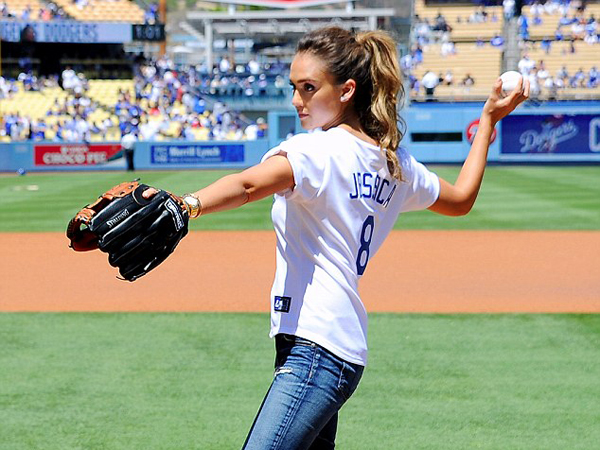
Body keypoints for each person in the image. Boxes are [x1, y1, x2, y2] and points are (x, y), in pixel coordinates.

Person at [143, 26, 529, 449]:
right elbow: (460, 199)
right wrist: (489, 118)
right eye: (294, 87)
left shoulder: (317, 150)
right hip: (330, 348)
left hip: (316, 348)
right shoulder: (395, 164)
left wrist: (186, 205)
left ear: (346, 90)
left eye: (309, 88)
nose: (297, 100)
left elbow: (249, 185)